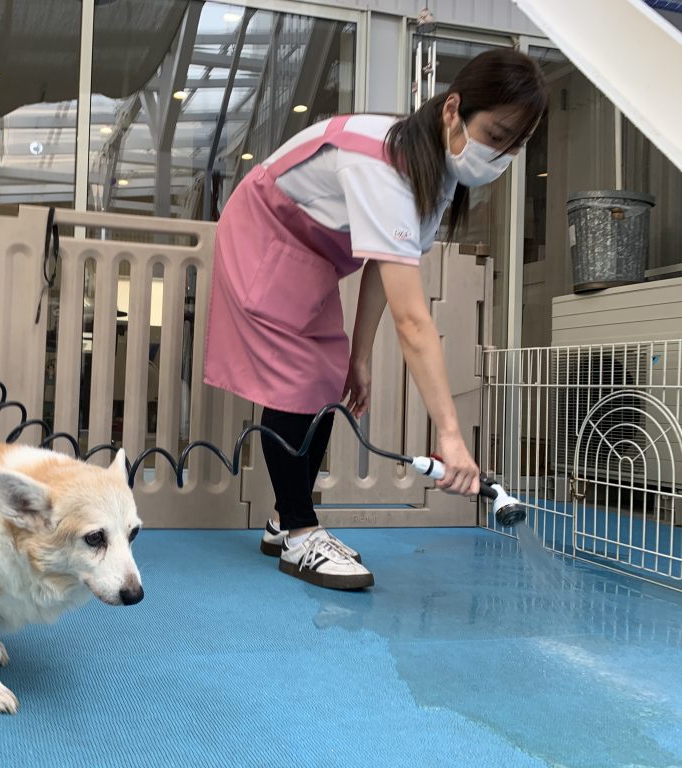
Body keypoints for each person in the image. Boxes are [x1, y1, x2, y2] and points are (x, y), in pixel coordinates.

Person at [203, 49, 547, 590]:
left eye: (514, 145)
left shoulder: (435, 172)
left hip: (310, 250)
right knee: (297, 380)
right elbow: (413, 321)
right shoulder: (383, 164)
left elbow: (379, 270)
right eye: (497, 134)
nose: (500, 155)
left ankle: (283, 521)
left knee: (325, 377)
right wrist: (451, 437)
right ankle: (298, 533)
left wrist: (358, 357)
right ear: (453, 109)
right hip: (263, 232)